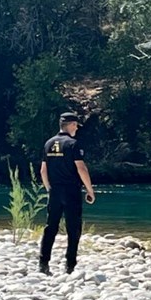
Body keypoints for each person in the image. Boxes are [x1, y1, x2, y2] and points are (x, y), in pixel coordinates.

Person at [39, 112, 96, 275]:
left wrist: (49, 188)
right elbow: (81, 168)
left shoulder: (48, 143)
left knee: (51, 227)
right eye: (76, 125)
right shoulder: (73, 144)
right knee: (73, 228)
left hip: (55, 190)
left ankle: (43, 263)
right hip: (71, 191)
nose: (77, 128)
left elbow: (43, 170)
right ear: (70, 125)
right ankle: (70, 265)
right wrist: (90, 190)